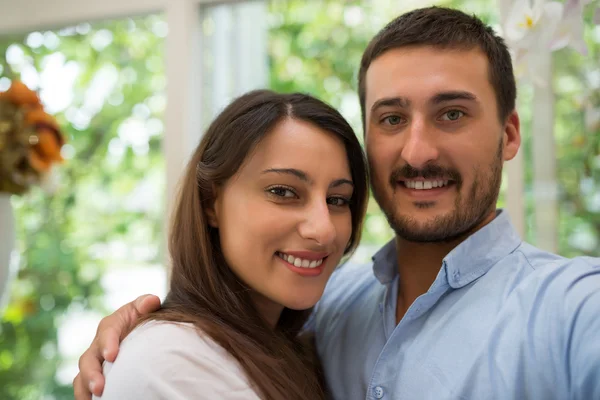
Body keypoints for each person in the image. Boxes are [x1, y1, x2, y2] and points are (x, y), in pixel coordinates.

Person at [75, 6, 600, 400]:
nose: (418, 151)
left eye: (452, 114)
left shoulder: (572, 309)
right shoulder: (322, 304)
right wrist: (140, 331)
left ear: (509, 134)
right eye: (392, 118)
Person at [85, 89, 369, 400]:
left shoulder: (299, 346)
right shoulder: (168, 363)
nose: (324, 229)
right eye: (283, 192)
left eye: (337, 199)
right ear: (211, 202)